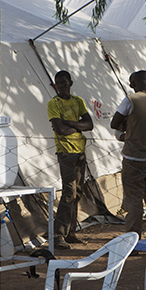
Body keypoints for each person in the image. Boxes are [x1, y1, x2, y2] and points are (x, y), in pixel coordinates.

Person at [110, 70, 146, 238]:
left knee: (134, 200)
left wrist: (127, 129)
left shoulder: (130, 100)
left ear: (132, 85)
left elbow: (115, 123)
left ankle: (133, 240)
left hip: (132, 158)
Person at [47, 71, 94, 250]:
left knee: (78, 192)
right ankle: (58, 234)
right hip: (66, 153)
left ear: (70, 83)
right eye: (58, 84)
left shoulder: (78, 101)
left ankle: (70, 232)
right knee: (69, 193)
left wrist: (70, 124)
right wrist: (78, 126)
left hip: (80, 151)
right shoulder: (53, 103)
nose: (61, 86)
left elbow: (89, 125)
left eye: (64, 83)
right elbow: (60, 130)